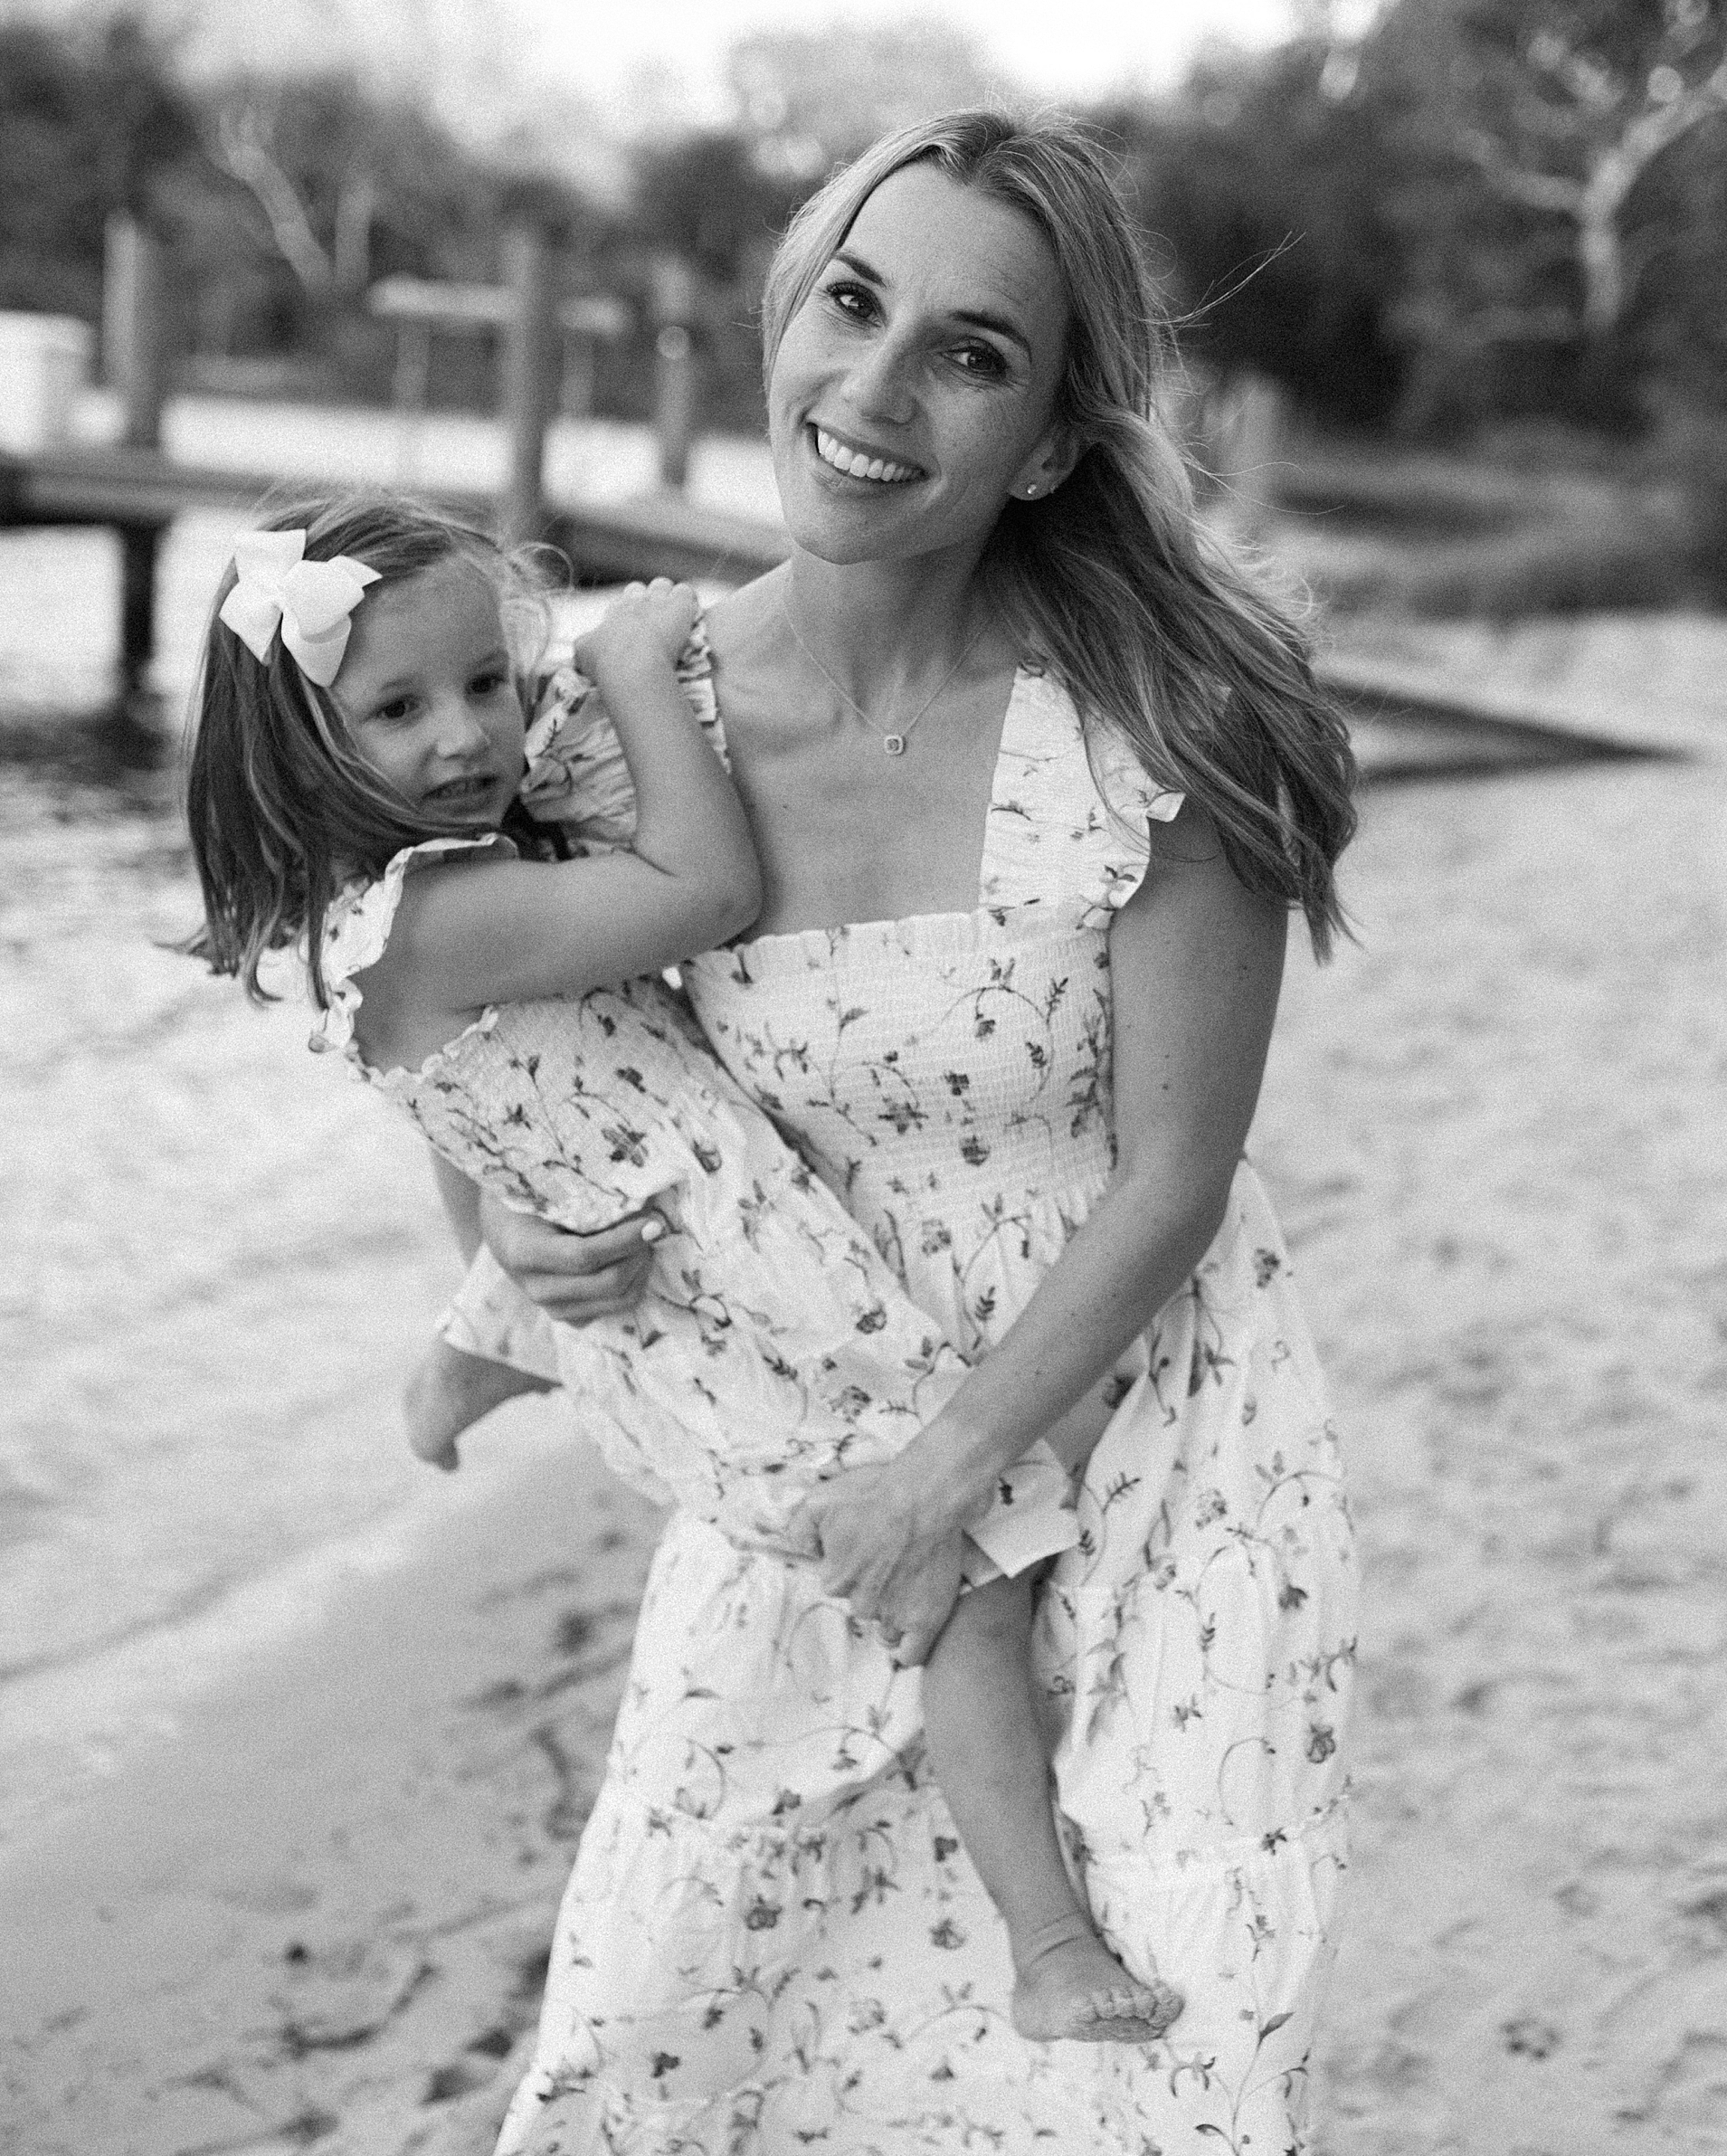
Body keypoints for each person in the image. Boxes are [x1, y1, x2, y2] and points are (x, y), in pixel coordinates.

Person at [470, 109, 1362, 2153]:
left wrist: (949, 1471)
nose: (871, 394)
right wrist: (511, 1239)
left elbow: (1173, 1174)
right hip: (806, 1435)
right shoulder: (611, 714)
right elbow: (476, 1028)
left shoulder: (1161, 721)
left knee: (1151, 2063)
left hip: (1150, 1445)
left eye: (968, 352)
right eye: (851, 305)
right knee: (676, 2038)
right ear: (787, 311)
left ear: (1049, 437)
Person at [180, 494, 1183, 2051]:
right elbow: (704, 894)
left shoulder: (389, 900)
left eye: (488, 684)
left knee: (536, 1242)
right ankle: (1047, 1941)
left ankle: (480, 1342)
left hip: (650, 1208)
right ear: (297, 740)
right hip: (717, 1286)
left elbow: (466, 1100)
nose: (469, 738)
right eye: (396, 708)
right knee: (978, 1568)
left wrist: (490, 1247)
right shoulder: (441, 916)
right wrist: (641, 669)